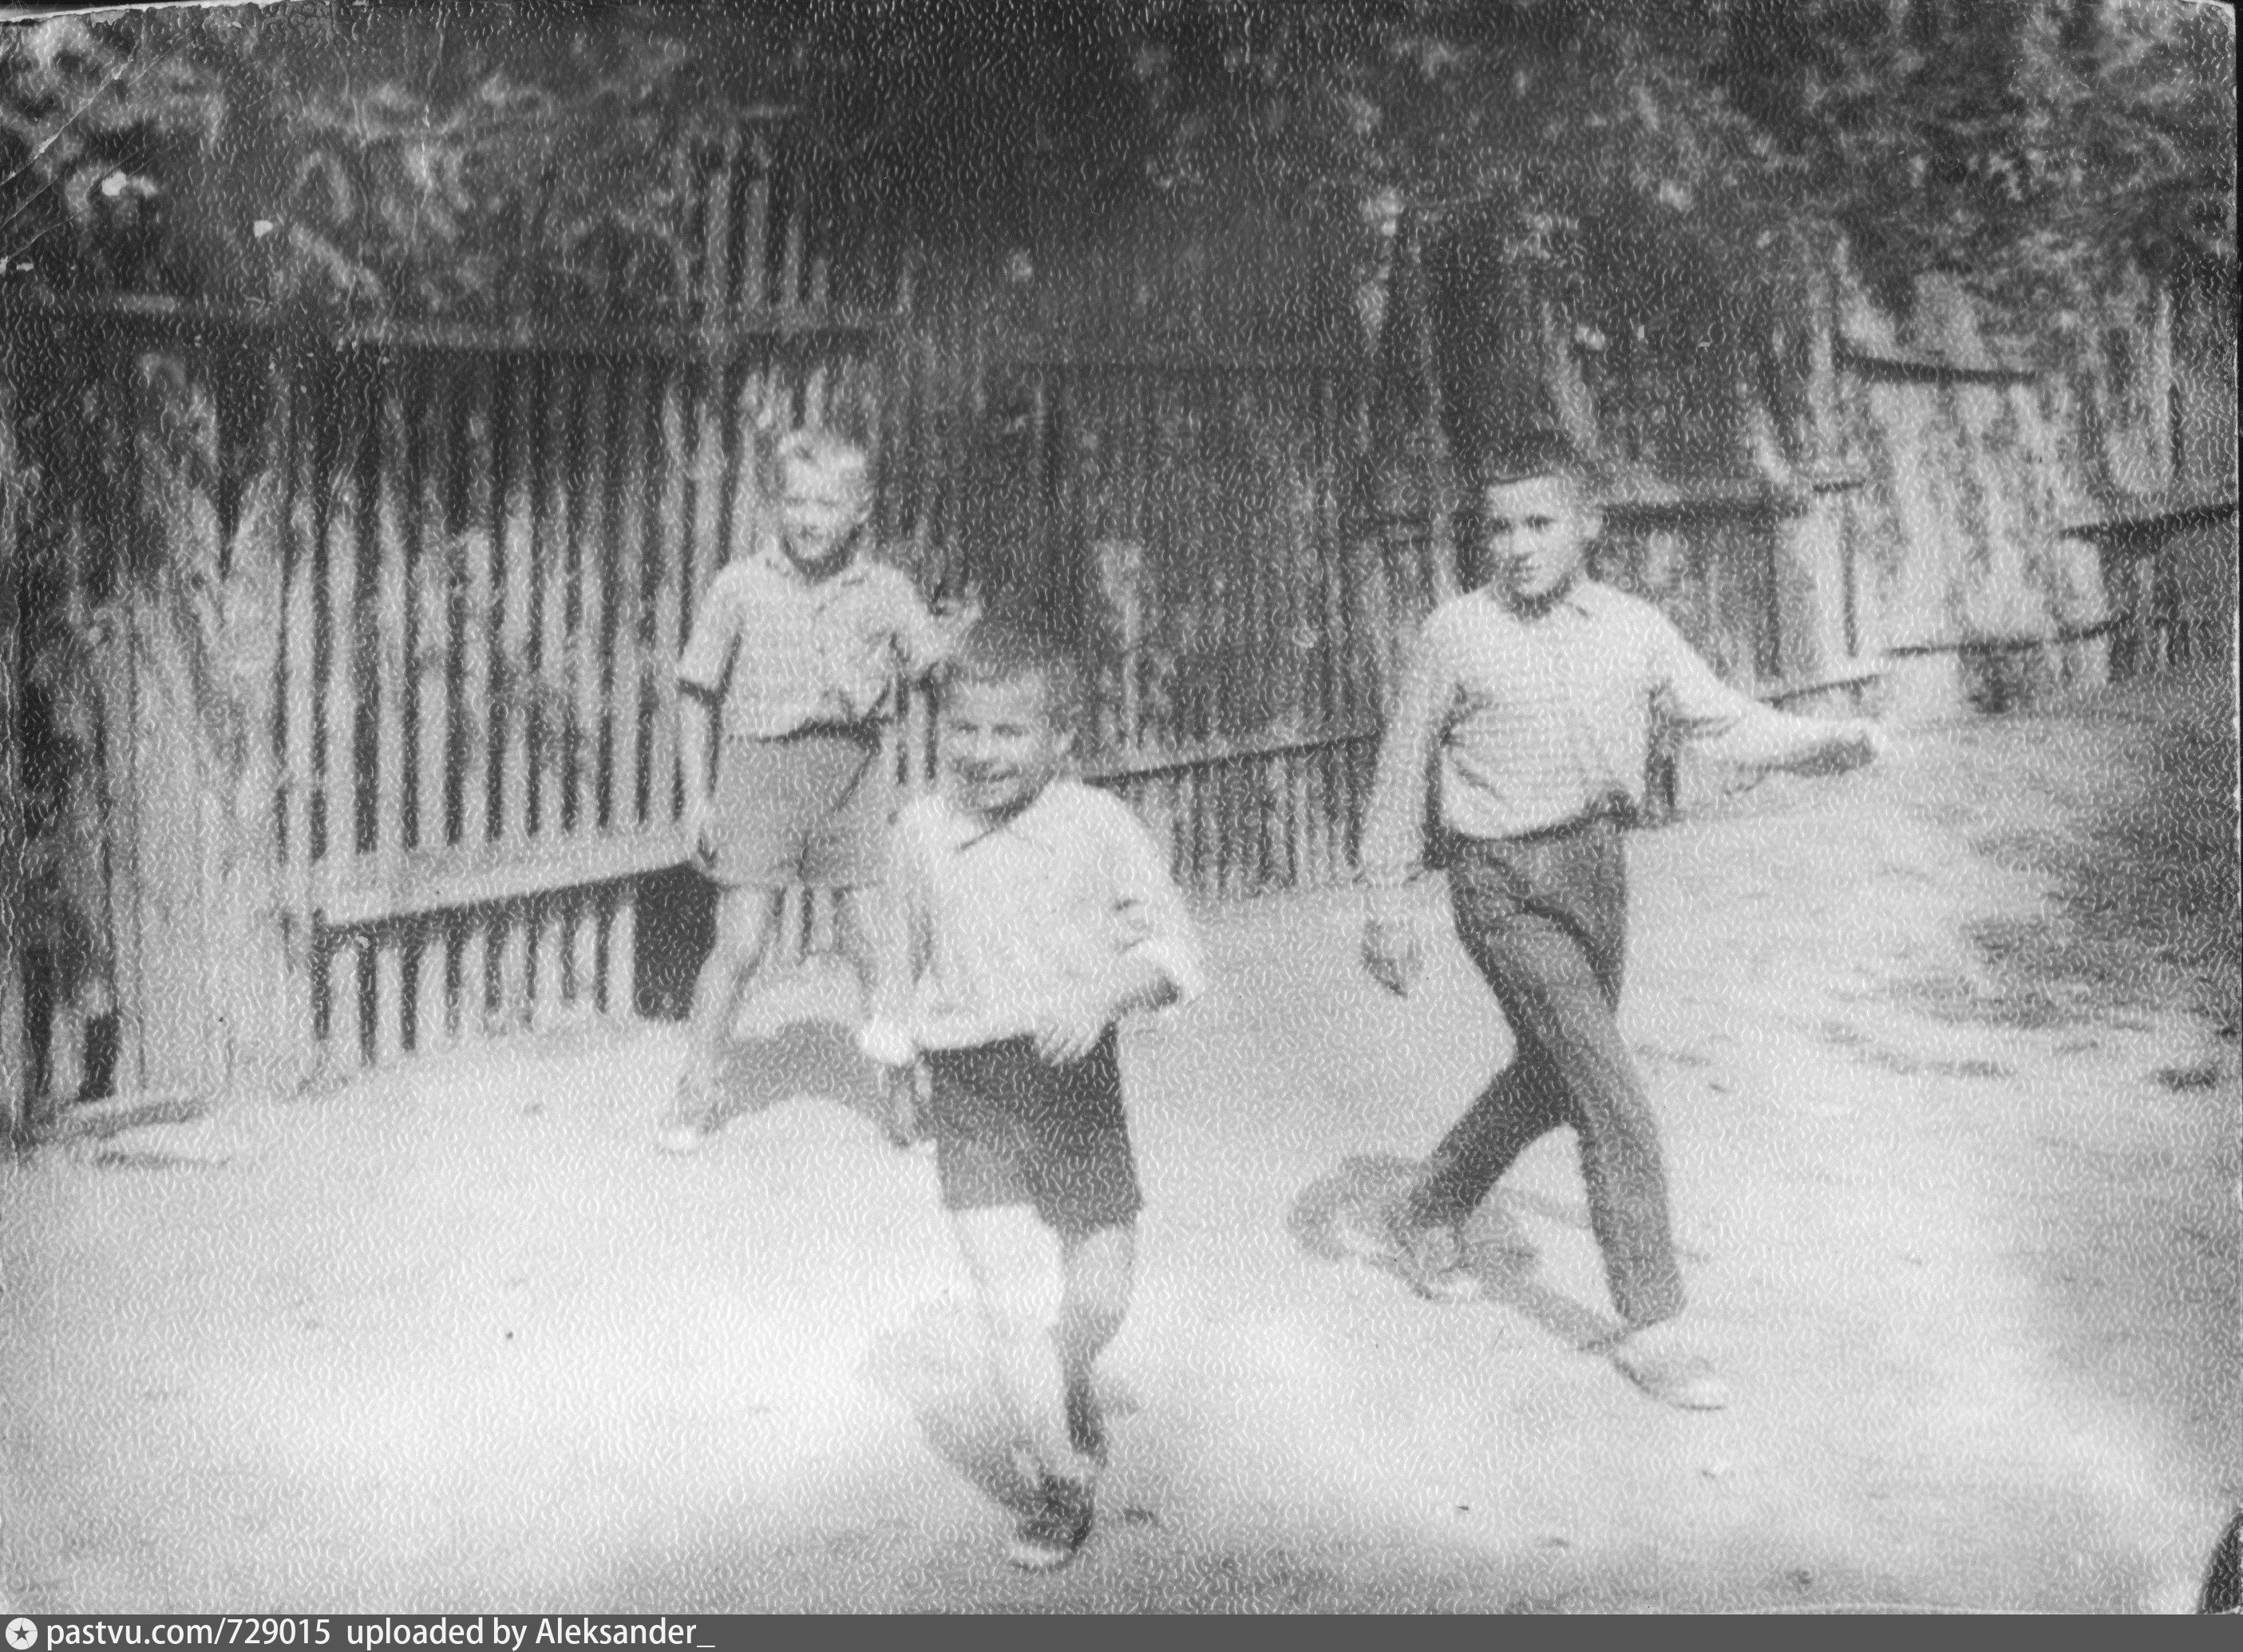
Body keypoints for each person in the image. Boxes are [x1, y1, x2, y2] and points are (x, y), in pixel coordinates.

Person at [1350, 434, 1887, 1411]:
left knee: (1555, 1076)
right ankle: (1654, 1325)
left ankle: (1425, 1205)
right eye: (1499, 528)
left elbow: (1722, 718)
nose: (1517, 546)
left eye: (1539, 523)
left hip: (1595, 871)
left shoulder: (1634, 629)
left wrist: (1824, 741)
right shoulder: (1453, 633)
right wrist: (1386, 902)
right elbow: (1400, 767)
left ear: (1586, 524)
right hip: (1499, 885)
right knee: (1612, 1098)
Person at [862, 619, 1206, 1571]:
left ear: (1061, 739)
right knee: (1004, 1298)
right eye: (963, 729)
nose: (981, 752)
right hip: (970, 1087)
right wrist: (896, 1068)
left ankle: (1068, 1368)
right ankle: (1059, 1478)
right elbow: (896, 959)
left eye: (1008, 732)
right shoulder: (921, 832)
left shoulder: (1098, 826)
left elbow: (1172, 950)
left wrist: (1100, 997)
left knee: (1099, 1292)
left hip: (1071, 1084)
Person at [661, 428, 972, 1155]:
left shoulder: (886, 591)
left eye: (826, 504)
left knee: (870, 940)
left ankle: (903, 1096)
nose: (807, 518)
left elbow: (939, 675)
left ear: (860, 511)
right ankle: (696, 1089)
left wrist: (958, 660)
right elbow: (695, 691)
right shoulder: (740, 585)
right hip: (760, 774)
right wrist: (697, 797)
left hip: (852, 777)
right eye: (795, 501)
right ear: (776, 502)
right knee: (742, 942)